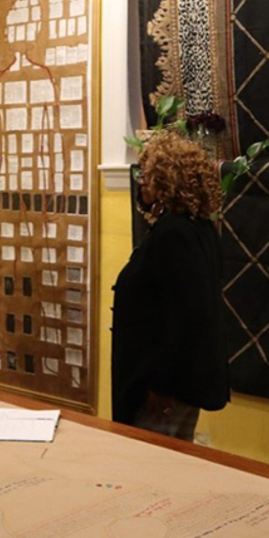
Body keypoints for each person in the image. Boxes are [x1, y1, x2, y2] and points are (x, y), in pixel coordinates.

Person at [111, 131, 229, 440]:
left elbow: (188, 319)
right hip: (172, 384)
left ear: (165, 182)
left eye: (147, 177)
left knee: (152, 469)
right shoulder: (199, 228)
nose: (141, 184)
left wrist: (161, 390)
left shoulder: (174, 235)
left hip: (164, 390)